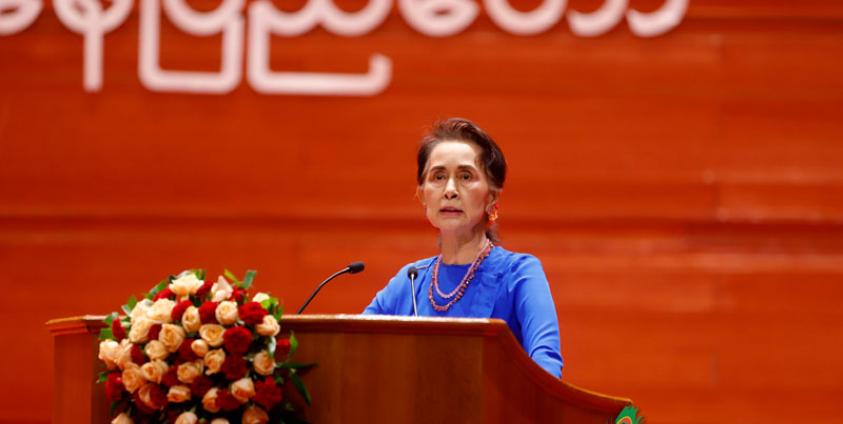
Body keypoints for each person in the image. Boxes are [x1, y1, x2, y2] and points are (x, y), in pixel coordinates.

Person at [363, 118, 564, 378]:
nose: (450, 190)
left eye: (465, 176)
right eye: (438, 177)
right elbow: (355, 348)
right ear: (423, 194)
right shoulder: (410, 281)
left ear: (491, 196)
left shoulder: (520, 274)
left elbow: (546, 369)